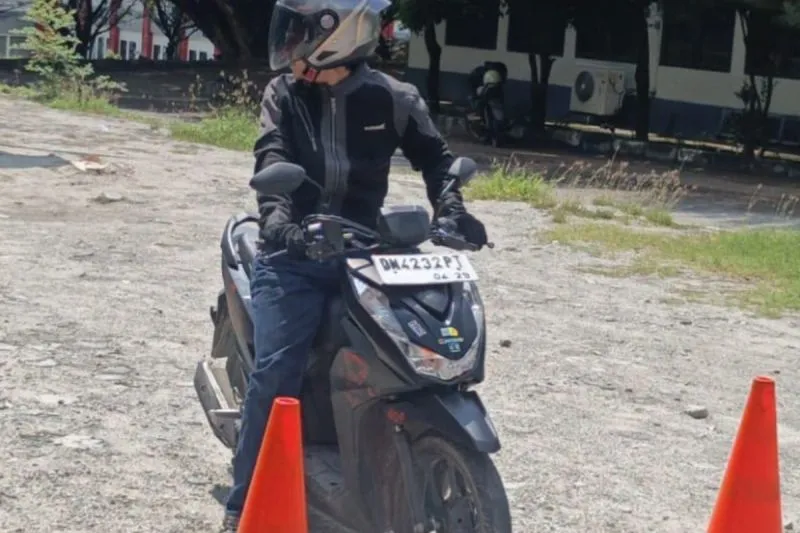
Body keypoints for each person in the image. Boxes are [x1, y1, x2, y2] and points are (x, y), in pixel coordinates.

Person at [220, 0, 489, 530]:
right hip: (294, 255)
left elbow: (437, 162)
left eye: (298, 31)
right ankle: (242, 503)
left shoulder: (393, 98)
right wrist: (281, 224)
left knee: (409, 354)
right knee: (278, 373)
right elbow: (272, 158)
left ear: (337, 35)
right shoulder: (283, 94)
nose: (288, 43)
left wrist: (451, 207)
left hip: (367, 252)